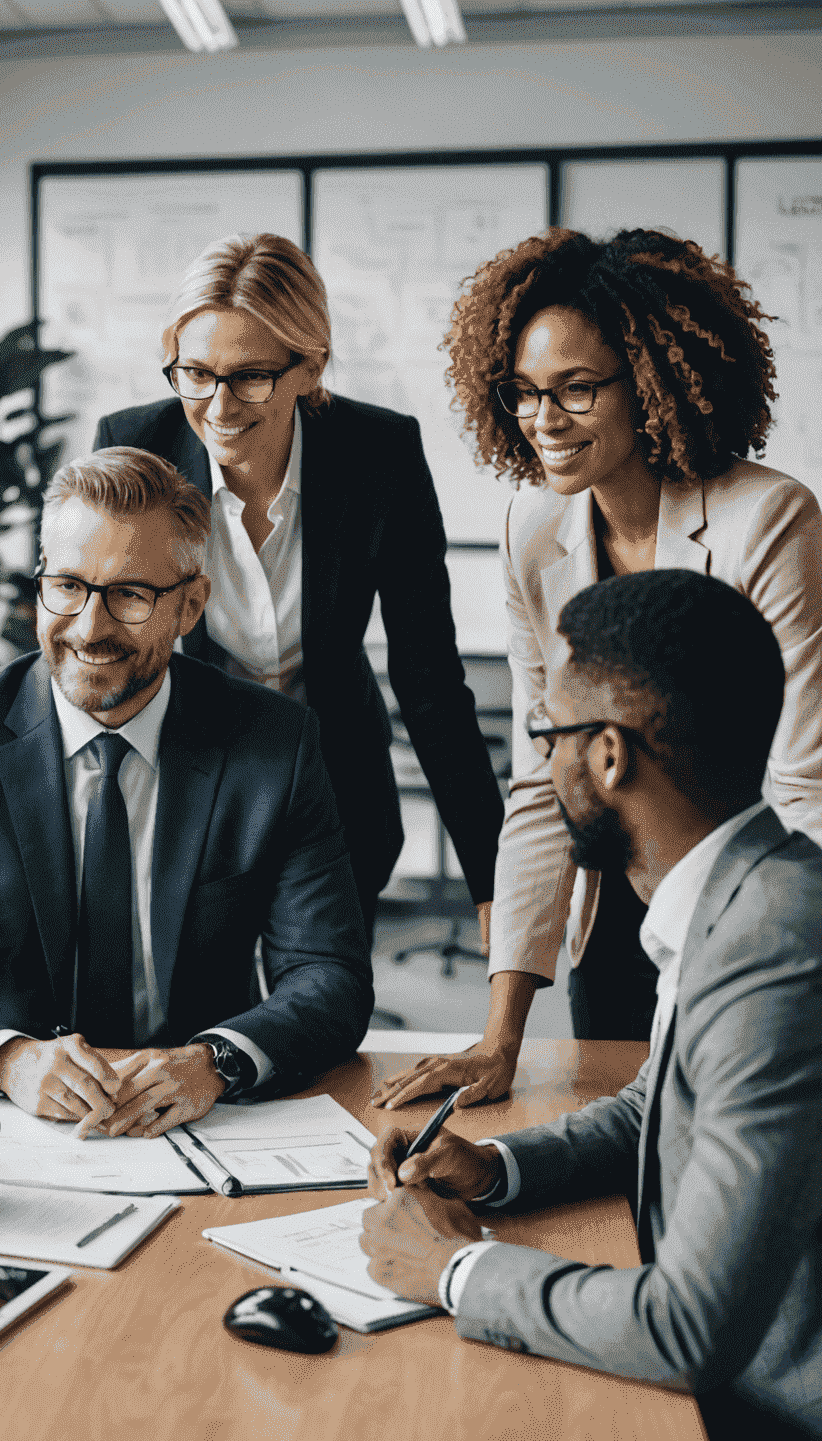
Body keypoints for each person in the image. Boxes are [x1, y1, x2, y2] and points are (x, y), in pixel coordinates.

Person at [360, 569, 822, 1441]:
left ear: (612, 756)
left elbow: (687, 1330)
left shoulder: (774, 955)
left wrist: (452, 1271)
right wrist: (496, 1167)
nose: (542, 771)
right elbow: (659, 1105)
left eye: (549, 741)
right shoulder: (749, 887)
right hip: (771, 1378)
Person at [376, 227, 822, 1111]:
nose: (544, 421)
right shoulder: (533, 528)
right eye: (523, 393)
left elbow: (806, 782)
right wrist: (500, 1036)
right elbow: (542, 775)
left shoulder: (766, 520)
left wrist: (792, 987)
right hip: (627, 888)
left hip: (802, 885)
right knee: (626, 1143)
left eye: (577, 390)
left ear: (656, 383)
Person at [0, 447, 372, 1137]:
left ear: (190, 606)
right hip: (3, 1123)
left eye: (130, 594)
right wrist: (9, 1059)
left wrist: (214, 1062)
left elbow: (330, 978)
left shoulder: (275, 744)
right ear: (39, 587)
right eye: (68, 586)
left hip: (200, 1120)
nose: (90, 627)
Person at [93, 233, 503, 940]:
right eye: (195, 372)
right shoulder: (137, 450)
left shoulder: (380, 456)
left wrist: (493, 880)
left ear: (309, 368)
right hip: (186, 784)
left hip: (337, 786)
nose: (218, 405)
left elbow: (428, 677)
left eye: (250, 377)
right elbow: (102, 644)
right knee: (197, 1025)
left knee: (322, 1018)